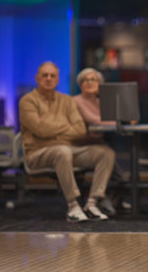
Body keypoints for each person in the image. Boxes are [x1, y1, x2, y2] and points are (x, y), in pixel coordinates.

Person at [19, 61, 116, 223]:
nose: (49, 79)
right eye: (45, 75)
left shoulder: (67, 101)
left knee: (105, 153)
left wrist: (52, 129)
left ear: (57, 80)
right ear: (37, 78)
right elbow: (40, 129)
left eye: (53, 76)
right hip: (38, 153)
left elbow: (80, 130)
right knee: (61, 151)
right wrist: (65, 127)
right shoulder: (27, 101)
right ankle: (73, 206)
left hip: (68, 150)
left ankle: (92, 203)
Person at [73, 67, 131, 215]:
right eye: (85, 80)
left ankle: (111, 200)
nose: (89, 82)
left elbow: (117, 116)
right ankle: (100, 201)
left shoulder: (101, 102)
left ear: (100, 84)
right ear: (80, 84)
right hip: (80, 146)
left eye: (93, 79)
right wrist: (121, 121)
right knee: (109, 158)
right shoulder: (76, 101)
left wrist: (128, 118)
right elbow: (95, 121)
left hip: (99, 145)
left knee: (121, 179)